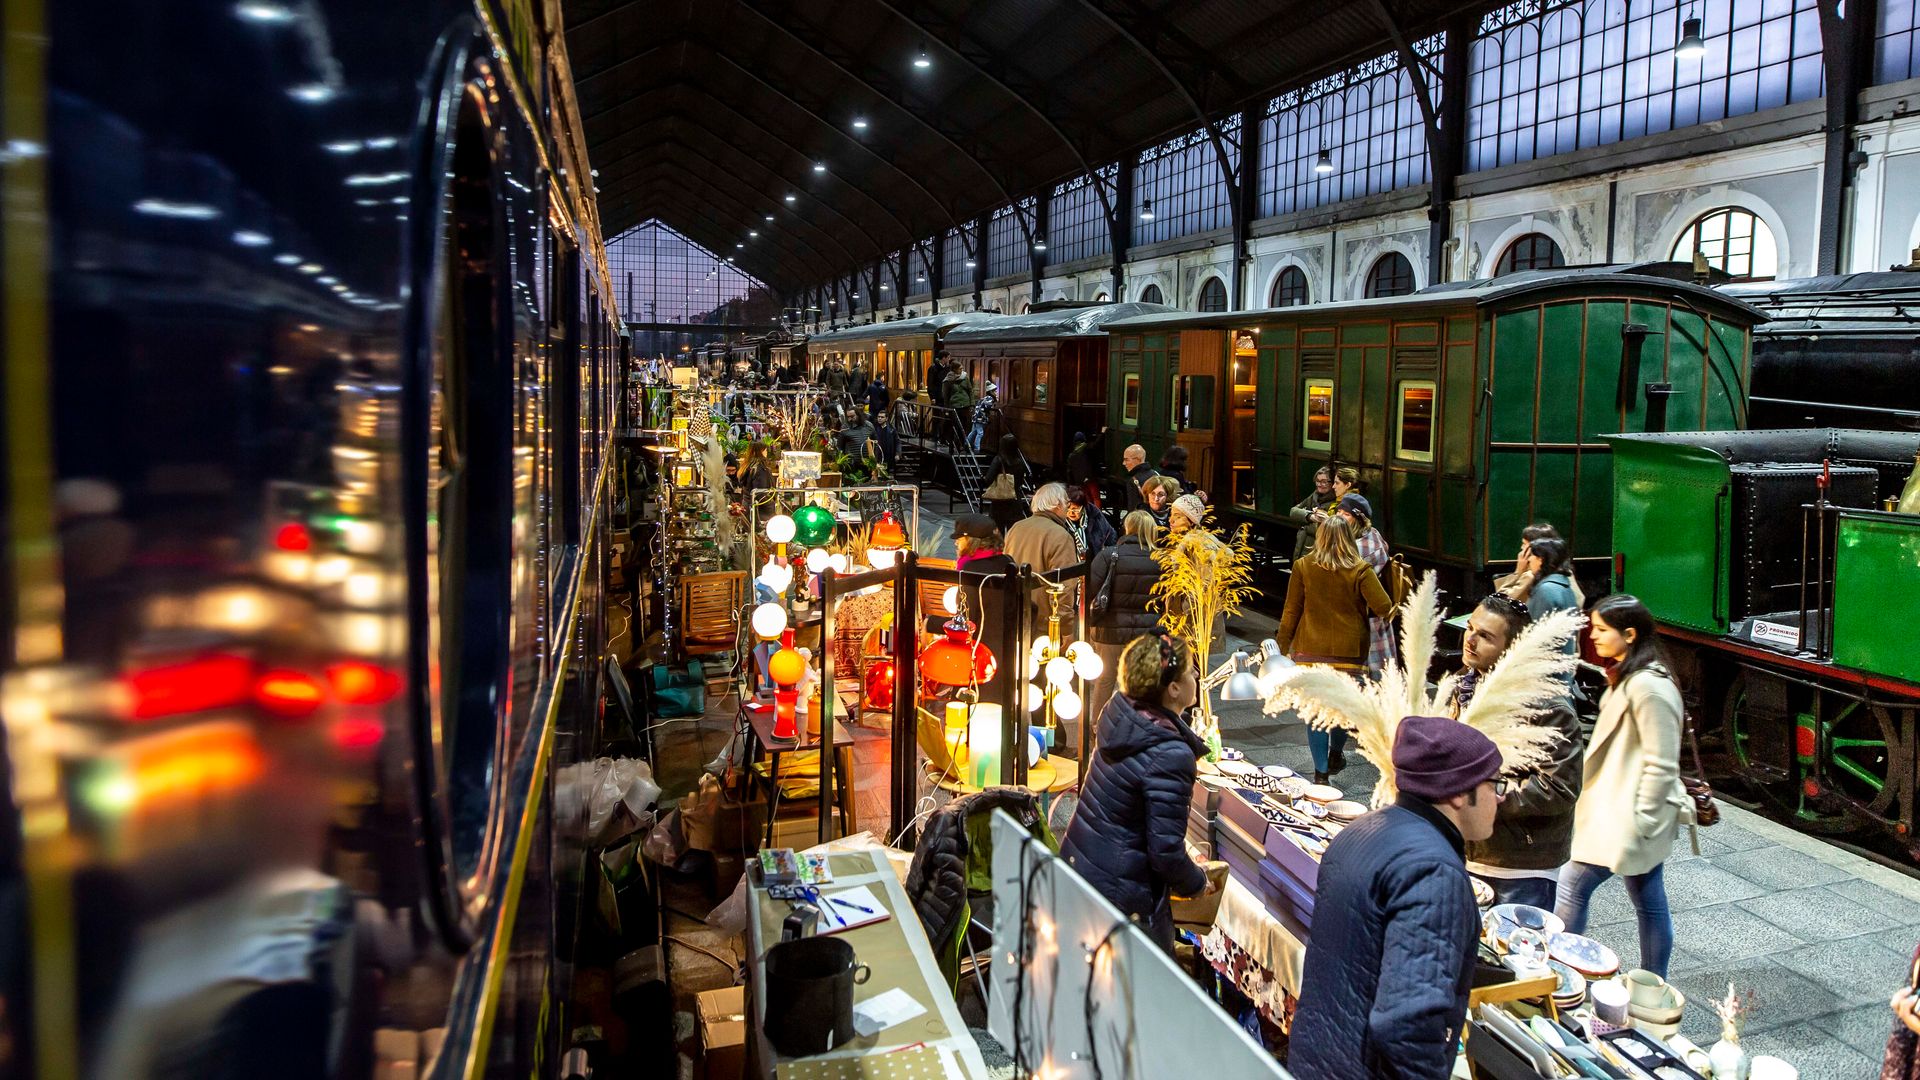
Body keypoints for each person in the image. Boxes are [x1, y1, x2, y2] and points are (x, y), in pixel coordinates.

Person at [1289, 715, 1505, 1080]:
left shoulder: (1356, 832)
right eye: (1494, 784)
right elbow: (1407, 1026)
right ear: (1456, 791)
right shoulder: (1434, 871)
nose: (1500, 797)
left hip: (1315, 1060)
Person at [1059, 632, 1219, 951]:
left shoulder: (1121, 712)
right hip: (1122, 897)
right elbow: (1166, 853)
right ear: (1173, 688)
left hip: (1083, 867)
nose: (1197, 676)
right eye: (1190, 671)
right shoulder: (1171, 754)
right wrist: (1198, 883)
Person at [1555, 594, 1687, 978]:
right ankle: (1654, 982)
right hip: (1620, 809)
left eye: (1600, 629)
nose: (1591, 636)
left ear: (1629, 634)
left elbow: (1662, 763)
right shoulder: (1631, 675)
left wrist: (1642, 824)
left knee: (1571, 887)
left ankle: (1561, 976)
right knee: (1648, 898)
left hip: (1626, 817)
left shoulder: (1649, 687)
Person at [1448, 594, 1583, 910]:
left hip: (1520, 863)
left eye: (1485, 636)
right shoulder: (1461, 687)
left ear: (1512, 648)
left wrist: (1487, 795)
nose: (1470, 640)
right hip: (1465, 848)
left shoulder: (1548, 707)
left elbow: (1559, 787)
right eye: (1470, 628)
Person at [1278, 517, 1394, 785]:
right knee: (1342, 710)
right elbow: (1383, 606)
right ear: (1348, 539)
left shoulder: (1303, 566)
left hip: (1310, 652)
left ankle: (1320, 775)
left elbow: (1291, 610)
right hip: (1349, 654)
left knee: (1316, 712)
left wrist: (1282, 648)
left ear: (1319, 538)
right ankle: (1336, 754)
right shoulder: (1361, 570)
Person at [1085, 512, 1162, 725]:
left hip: (1109, 629)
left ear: (1127, 527)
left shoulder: (1109, 555)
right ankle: (1139, 724)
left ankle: (1098, 725)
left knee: (1105, 680)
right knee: (1140, 681)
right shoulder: (1160, 560)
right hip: (1146, 632)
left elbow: (1090, 590)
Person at [1004, 482, 1082, 630]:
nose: (1068, 508)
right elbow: (1064, 585)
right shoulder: (1060, 536)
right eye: (1066, 503)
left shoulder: (1016, 528)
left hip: (1015, 615)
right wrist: (1066, 627)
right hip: (1044, 623)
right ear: (1057, 505)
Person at [1338, 493, 1396, 677]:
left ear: (1359, 519)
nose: (1339, 517)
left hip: (1366, 620)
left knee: (1370, 674)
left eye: (1346, 514)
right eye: (1339, 511)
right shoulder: (1372, 535)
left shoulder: (1361, 548)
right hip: (1367, 618)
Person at [1287, 466, 1337, 561]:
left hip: (1317, 553)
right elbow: (1293, 511)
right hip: (1301, 548)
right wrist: (1310, 517)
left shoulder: (1335, 503)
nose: (1319, 484)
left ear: (1332, 483)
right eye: (1317, 481)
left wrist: (1304, 526)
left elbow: (1321, 531)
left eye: (1324, 481)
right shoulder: (1315, 496)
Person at [985, 434, 1032, 532]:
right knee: (1012, 533)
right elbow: (1020, 482)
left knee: (998, 533)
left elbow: (989, 479)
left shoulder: (998, 460)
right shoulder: (1020, 462)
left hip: (999, 502)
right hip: (1014, 500)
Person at [1063, 483, 1116, 556]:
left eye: (1075, 509)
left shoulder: (1095, 515)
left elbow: (1110, 534)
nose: (1071, 513)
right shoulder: (1060, 521)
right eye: (1067, 508)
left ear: (1083, 507)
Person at [1122, 444, 1157, 511]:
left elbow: (1132, 509)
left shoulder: (1133, 481)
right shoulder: (1156, 474)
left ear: (1138, 459)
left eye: (1126, 460)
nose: (1124, 463)